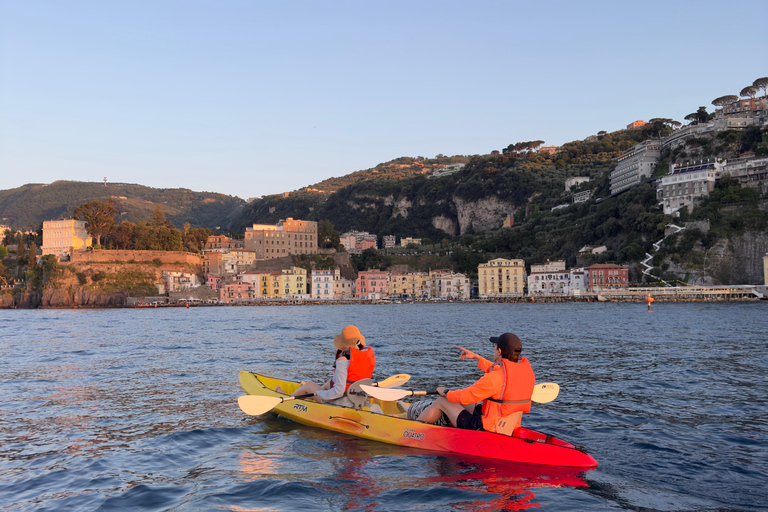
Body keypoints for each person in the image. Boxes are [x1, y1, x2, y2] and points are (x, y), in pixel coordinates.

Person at [416, 333, 535, 432]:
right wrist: (476, 357)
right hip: (508, 425)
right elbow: (500, 373)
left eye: (494, 346)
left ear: (499, 351)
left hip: (487, 429)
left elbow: (466, 396)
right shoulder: (526, 373)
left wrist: (446, 392)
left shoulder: (493, 378)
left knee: (442, 401)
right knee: (465, 404)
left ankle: (413, 429)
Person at [281, 325, 376, 404]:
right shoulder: (367, 358)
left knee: (309, 385)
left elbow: (338, 392)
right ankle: (304, 392)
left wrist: (319, 393)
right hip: (357, 399)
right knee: (329, 382)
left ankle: (286, 402)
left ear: (343, 346)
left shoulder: (343, 360)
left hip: (342, 403)